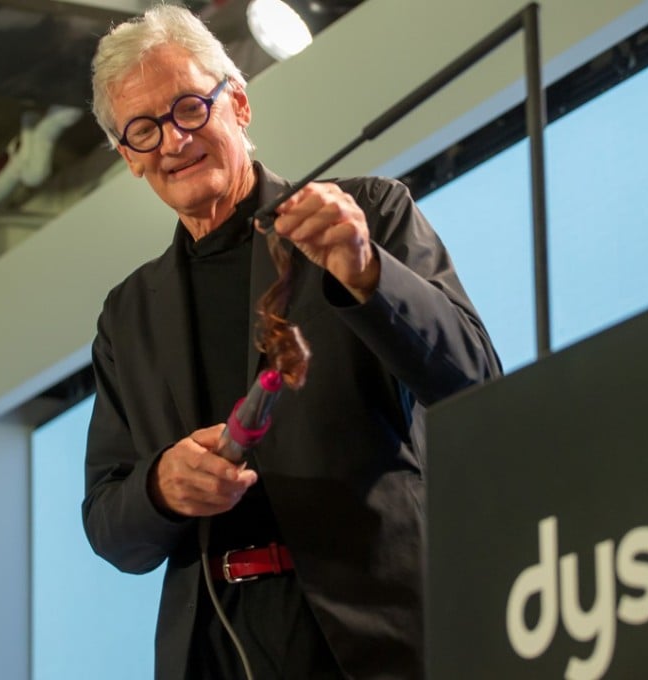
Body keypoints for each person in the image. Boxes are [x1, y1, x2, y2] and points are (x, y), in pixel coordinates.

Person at [82, 4, 501, 680]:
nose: (173, 140)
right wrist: (159, 487)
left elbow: (476, 384)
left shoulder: (365, 216)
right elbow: (109, 525)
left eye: (190, 107)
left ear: (238, 103)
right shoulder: (126, 316)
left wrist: (370, 274)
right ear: (129, 158)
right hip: (216, 648)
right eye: (143, 129)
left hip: (378, 626)